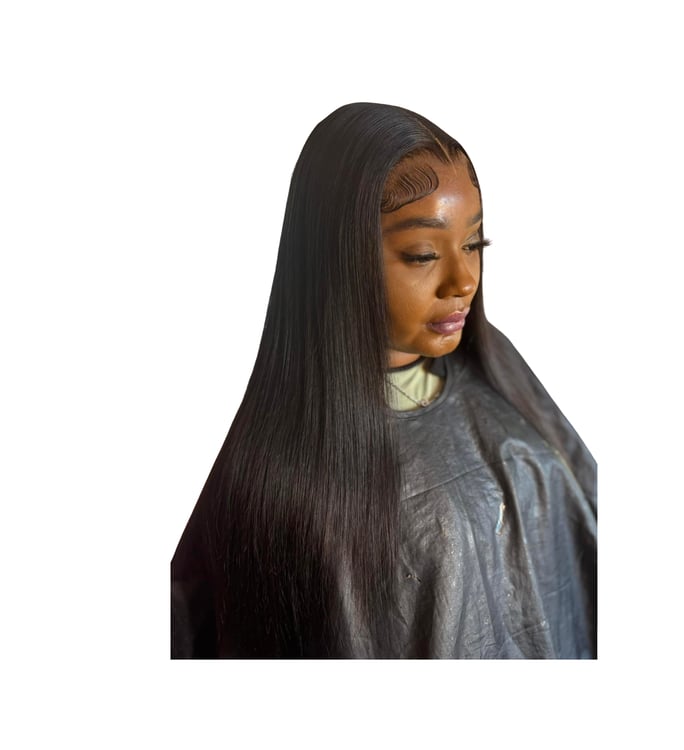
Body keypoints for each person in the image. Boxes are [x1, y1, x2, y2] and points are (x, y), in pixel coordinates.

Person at [171, 102, 597, 659]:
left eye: (474, 244)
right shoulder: (288, 487)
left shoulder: (499, 370)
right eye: (422, 254)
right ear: (336, 257)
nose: (463, 280)